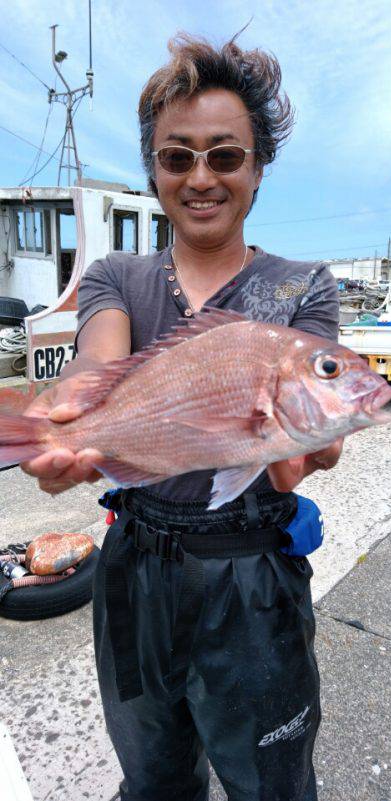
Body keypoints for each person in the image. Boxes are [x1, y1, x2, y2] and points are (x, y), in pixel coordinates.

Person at [22, 33, 342, 801]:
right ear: (156, 170)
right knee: (154, 777)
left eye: (225, 156)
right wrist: (67, 417)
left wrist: (308, 445)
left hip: (254, 582)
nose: (201, 177)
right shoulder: (117, 275)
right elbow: (100, 362)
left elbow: (315, 426)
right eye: (178, 157)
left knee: (273, 783)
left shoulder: (302, 288)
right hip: (135, 572)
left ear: (258, 169)